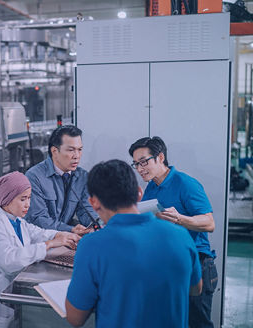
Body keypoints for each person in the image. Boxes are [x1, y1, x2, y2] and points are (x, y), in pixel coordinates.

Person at [65, 159, 202, 328]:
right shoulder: (181, 235)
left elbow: (74, 318)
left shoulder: (92, 245)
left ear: (94, 203)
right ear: (139, 193)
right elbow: (196, 288)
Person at [0, 171, 80, 328]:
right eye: (23, 199)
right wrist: (49, 244)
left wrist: (60, 234)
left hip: (11, 296)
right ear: (6, 200)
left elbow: (37, 232)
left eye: (29, 198)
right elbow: (8, 261)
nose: (28, 204)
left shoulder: (17, 221)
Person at [129, 136, 218, 328]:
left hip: (197, 264)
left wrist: (180, 219)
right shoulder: (151, 188)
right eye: (136, 164)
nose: (139, 168)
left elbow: (209, 223)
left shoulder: (185, 183)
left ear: (160, 157)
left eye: (144, 162)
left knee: (197, 323)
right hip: (169, 265)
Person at [25, 125, 99, 235]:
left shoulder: (82, 176)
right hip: (40, 239)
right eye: (71, 150)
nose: (77, 156)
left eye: (80, 150)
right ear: (55, 151)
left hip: (66, 237)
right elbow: (38, 219)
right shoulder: (34, 177)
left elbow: (86, 210)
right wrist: (70, 229)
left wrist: (95, 225)